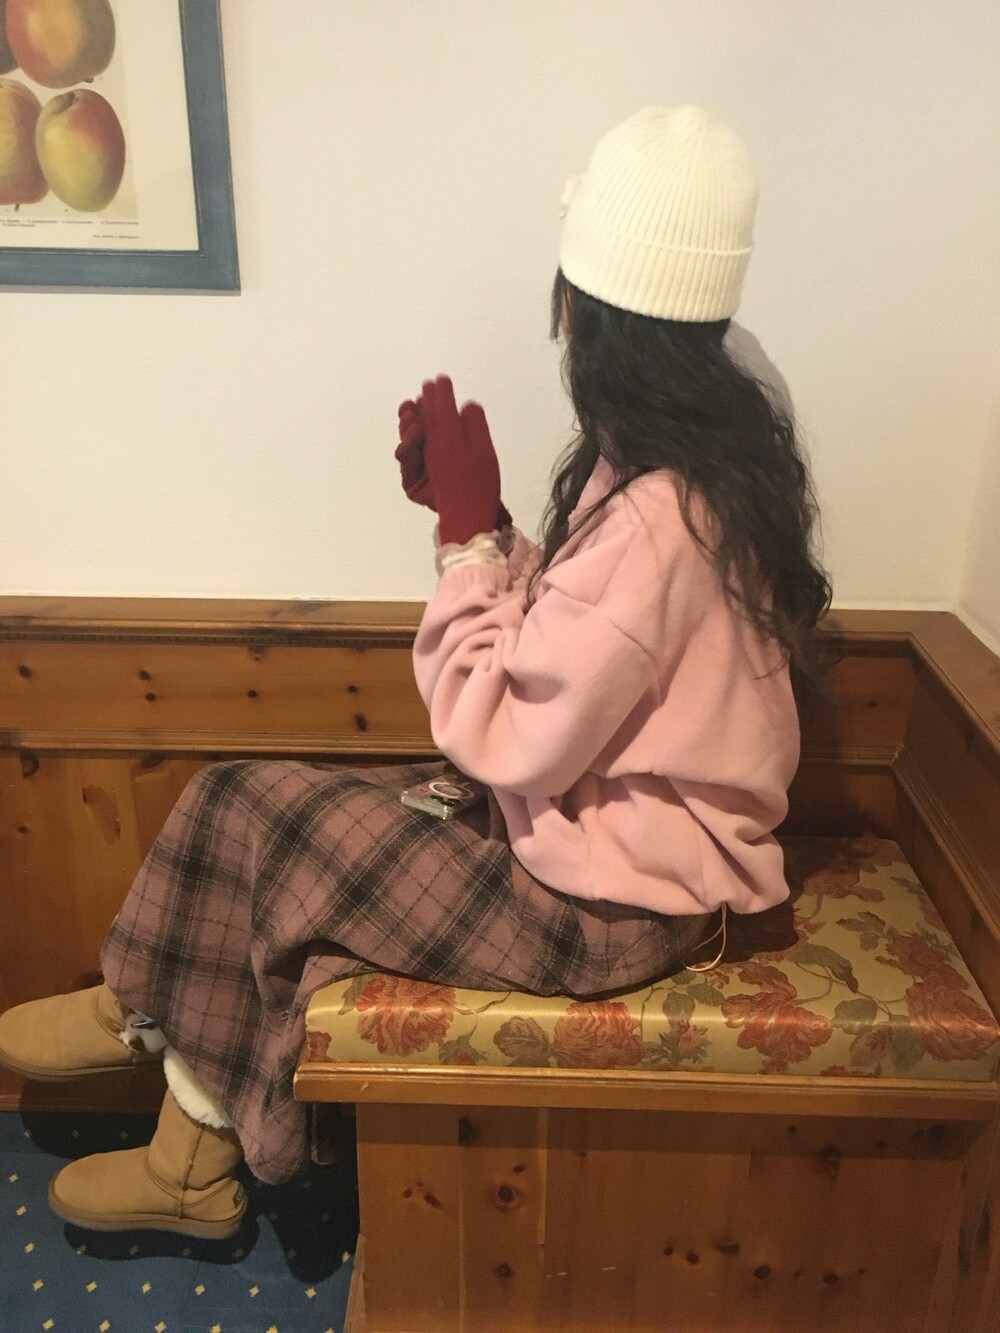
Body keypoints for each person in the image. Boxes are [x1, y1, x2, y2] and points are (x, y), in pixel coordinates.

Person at [0, 105, 831, 1238]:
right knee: (253, 816)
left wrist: (462, 543)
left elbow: (506, 730)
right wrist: (493, 524)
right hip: (599, 842)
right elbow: (591, 653)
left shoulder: (661, 514)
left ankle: (155, 1058)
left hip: (615, 902)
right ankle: (155, 1062)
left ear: (585, 311)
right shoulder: (697, 463)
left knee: (278, 844)